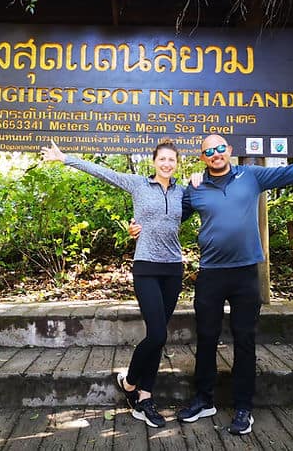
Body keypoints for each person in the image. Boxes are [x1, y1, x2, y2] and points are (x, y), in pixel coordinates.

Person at [129, 135, 293, 435]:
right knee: (206, 339)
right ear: (203, 158)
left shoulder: (252, 176)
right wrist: (138, 225)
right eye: (209, 151)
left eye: (221, 148)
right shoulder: (194, 189)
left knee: (244, 339)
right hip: (210, 274)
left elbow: (291, 173)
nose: (216, 154)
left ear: (229, 151)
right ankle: (204, 399)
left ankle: (244, 407)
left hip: (245, 273)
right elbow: (166, 213)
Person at [40, 138, 199, 429]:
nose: (167, 164)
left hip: (173, 269)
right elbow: (103, 172)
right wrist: (65, 159)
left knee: (159, 336)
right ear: (154, 161)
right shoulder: (138, 184)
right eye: (162, 159)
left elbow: (207, 201)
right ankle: (129, 382)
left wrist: (200, 181)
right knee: (157, 335)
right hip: (146, 268)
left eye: (171, 160)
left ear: (177, 163)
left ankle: (144, 398)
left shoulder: (183, 193)